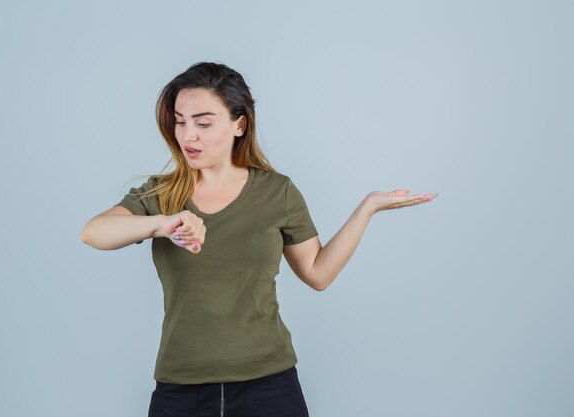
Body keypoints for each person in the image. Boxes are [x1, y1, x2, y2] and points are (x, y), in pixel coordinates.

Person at [80, 61, 438, 417]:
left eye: (203, 123)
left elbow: (318, 273)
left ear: (239, 124)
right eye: (180, 120)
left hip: (269, 388)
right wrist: (162, 224)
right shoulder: (161, 195)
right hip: (181, 388)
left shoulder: (277, 192)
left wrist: (368, 207)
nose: (188, 135)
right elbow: (94, 232)